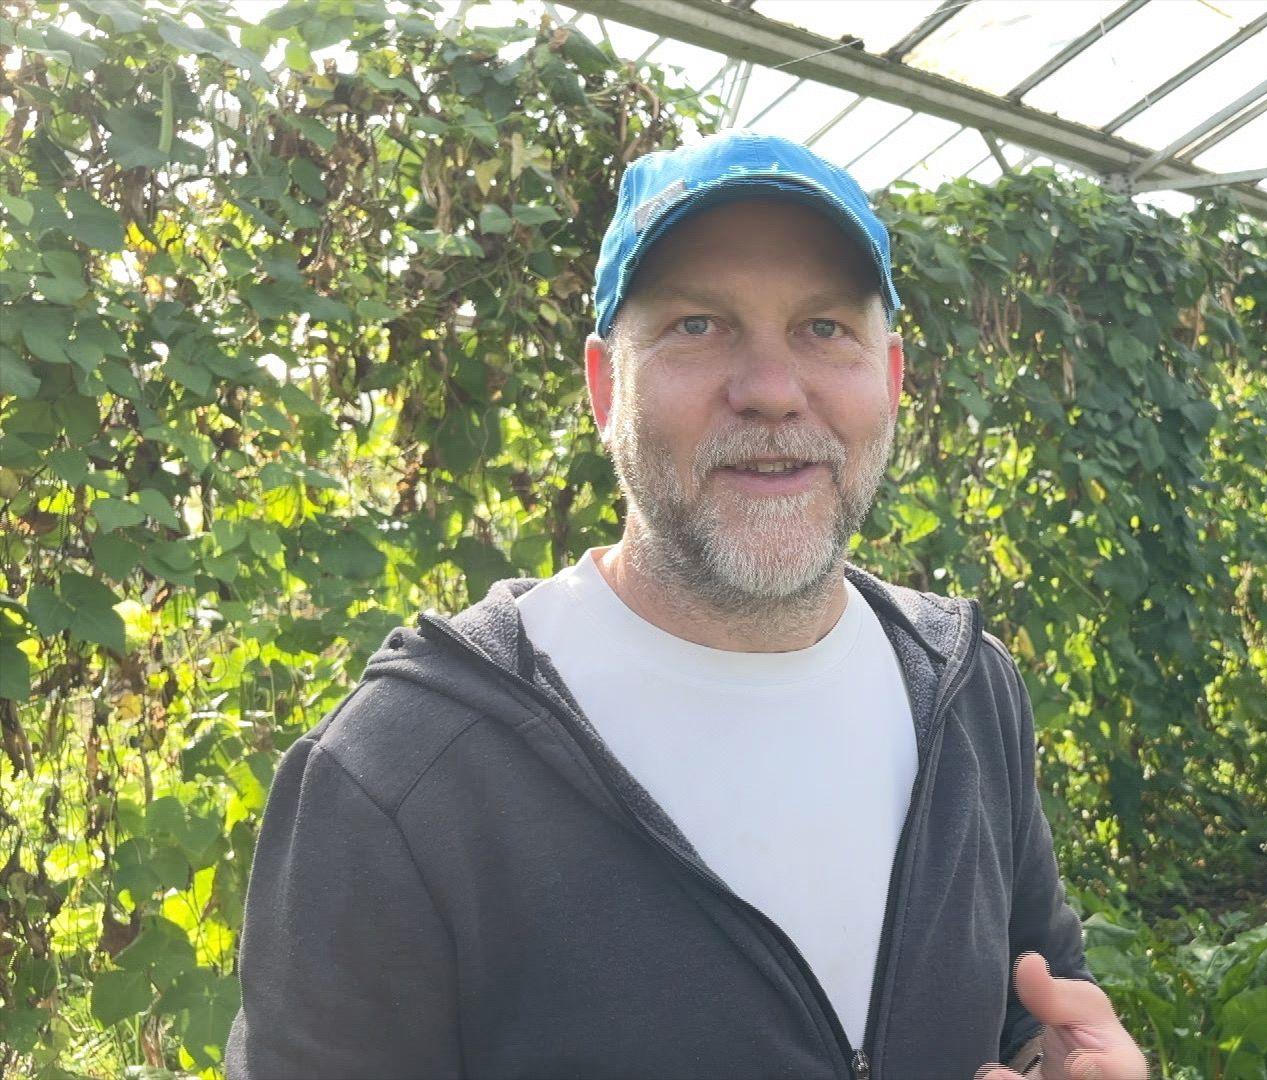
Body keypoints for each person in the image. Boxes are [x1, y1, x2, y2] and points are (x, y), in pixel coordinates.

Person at [225, 129, 1149, 1080]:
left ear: (892, 379)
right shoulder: (405, 775)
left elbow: (1033, 998)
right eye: (697, 327)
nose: (770, 392)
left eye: (824, 328)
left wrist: (1063, 1060)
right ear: (603, 388)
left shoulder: (966, 694)